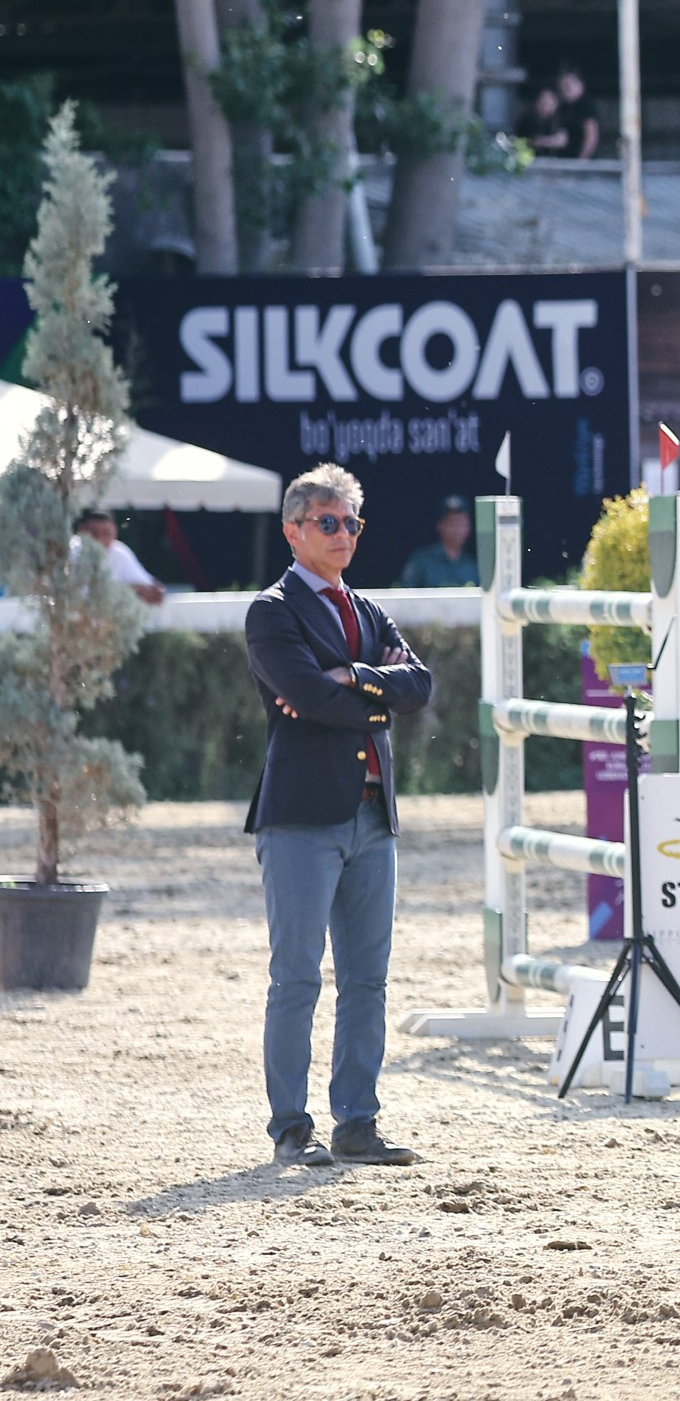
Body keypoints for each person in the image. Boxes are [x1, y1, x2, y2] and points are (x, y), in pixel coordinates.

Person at [243, 464, 433, 1169]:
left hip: (372, 818)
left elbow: (420, 685)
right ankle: (291, 1127)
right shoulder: (272, 610)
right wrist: (379, 697)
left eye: (352, 521)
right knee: (297, 978)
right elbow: (306, 698)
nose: (344, 532)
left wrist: (355, 676)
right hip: (301, 818)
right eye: (328, 521)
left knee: (367, 979)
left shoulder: (369, 610)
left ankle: (357, 1121)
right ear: (293, 530)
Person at [74, 509, 164, 606]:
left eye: (106, 533)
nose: (100, 539)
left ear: (115, 532)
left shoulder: (118, 551)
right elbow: (84, 595)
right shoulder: (72, 551)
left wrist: (152, 591)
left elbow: (150, 587)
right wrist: (131, 589)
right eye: (94, 533)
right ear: (81, 530)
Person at [398, 496, 477, 588]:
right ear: (440, 525)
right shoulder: (421, 561)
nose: (457, 530)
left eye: (462, 524)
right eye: (452, 523)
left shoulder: (472, 565)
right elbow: (405, 592)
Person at [552, 67, 601, 161]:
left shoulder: (586, 105)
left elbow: (591, 137)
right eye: (563, 85)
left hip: (583, 163)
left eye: (570, 84)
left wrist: (581, 162)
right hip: (566, 161)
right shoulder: (564, 108)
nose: (566, 88)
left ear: (580, 85)